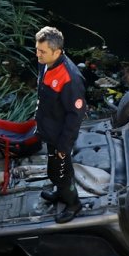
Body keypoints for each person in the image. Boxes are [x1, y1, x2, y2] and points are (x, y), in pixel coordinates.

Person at [34, 26, 86, 224]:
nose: (37, 54)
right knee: (53, 170)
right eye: (37, 50)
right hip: (49, 131)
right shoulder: (45, 62)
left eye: (42, 51)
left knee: (63, 171)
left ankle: (73, 204)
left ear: (57, 52)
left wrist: (64, 147)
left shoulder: (70, 78)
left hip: (61, 137)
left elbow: (75, 116)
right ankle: (60, 192)